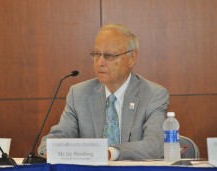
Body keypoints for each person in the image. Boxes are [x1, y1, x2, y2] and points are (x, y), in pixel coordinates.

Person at [38, 24, 169, 160]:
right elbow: (56, 138)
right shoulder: (79, 94)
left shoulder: (153, 94)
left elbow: (155, 145)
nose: (99, 62)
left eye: (109, 56)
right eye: (96, 54)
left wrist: (111, 153)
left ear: (132, 58)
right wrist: (49, 151)